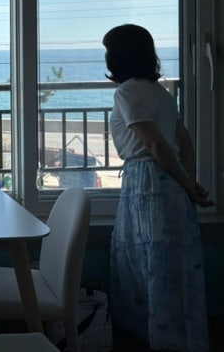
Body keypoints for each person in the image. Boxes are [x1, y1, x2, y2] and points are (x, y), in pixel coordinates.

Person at [103, 24, 212, 352]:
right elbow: (184, 141)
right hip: (171, 187)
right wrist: (189, 183)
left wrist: (186, 182)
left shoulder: (126, 92)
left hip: (147, 184)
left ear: (118, 57)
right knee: (175, 269)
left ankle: (154, 341)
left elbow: (154, 144)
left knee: (146, 268)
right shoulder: (160, 92)